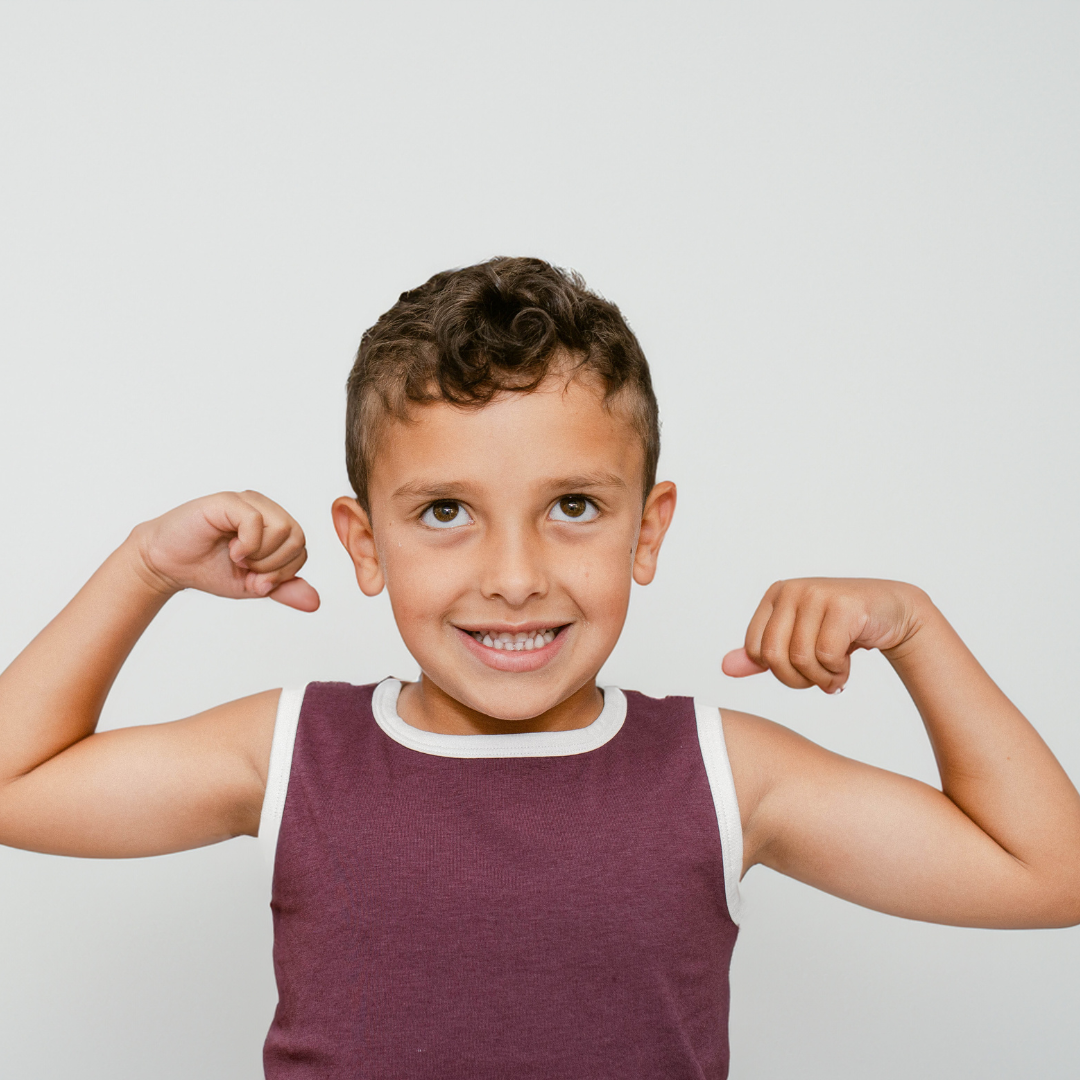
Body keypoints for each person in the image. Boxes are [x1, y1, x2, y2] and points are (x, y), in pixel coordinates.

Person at [1, 256, 1078, 1079]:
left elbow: (1050, 875)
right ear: (365, 544)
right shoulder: (291, 753)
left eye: (572, 506)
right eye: (444, 512)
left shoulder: (721, 773)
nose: (513, 578)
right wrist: (143, 568)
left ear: (647, 529)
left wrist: (917, 631)